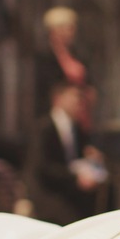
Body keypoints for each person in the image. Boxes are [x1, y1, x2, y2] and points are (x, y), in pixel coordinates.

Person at [25, 82, 106, 224]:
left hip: (68, 189)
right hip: (48, 192)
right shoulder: (44, 127)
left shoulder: (76, 128)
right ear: (58, 98)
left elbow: (78, 158)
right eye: (74, 96)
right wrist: (76, 178)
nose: (78, 102)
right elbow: (43, 167)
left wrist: (90, 157)